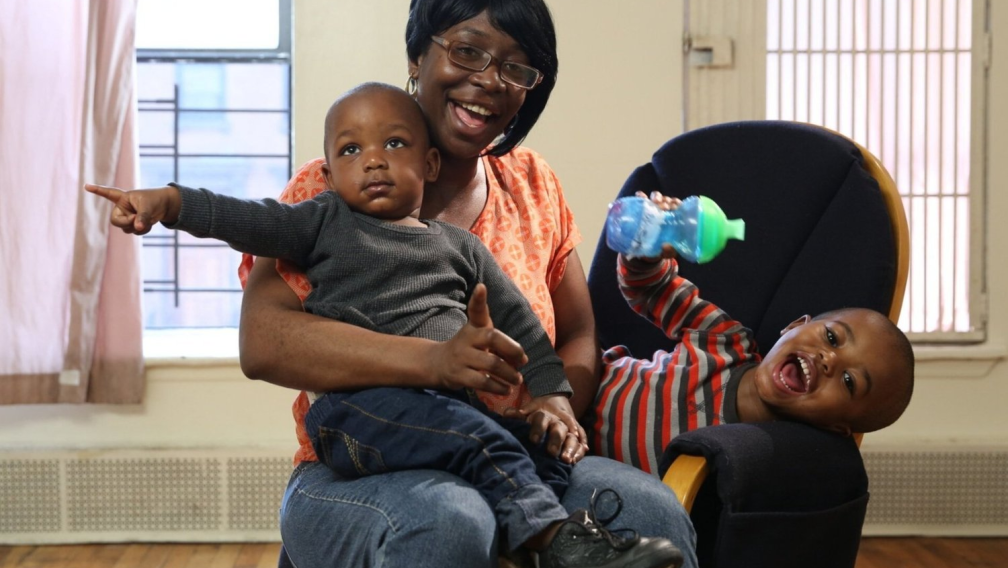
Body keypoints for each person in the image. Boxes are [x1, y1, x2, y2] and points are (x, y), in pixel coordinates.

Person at [86, 82, 684, 568]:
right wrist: (168, 203)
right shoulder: (322, 220)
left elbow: (526, 325)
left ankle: (560, 531)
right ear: (329, 169)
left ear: (425, 164)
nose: (371, 160)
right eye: (349, 151)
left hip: (451, 417)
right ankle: (553, 540)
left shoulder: (460, 249)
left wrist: (551, 396)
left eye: (393, 145)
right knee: (476, 447)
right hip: (359, 414)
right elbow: (244, 219)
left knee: (531, 454)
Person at [236, 1, 701, 567]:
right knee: (455, 519)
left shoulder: (533, 184)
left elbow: (577, 333)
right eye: (467, 50)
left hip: (515, 457)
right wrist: (434, 362)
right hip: (362, 467)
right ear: (417, 55)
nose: (489, 81)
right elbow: (263, 344)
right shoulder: (332, 186)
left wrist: (553, 408)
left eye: (516, 67)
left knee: (652, 513)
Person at [589, 192, 916, 475]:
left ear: (835, 428)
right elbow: (650, 290)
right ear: (794, 326)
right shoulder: (721, 339)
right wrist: (647, 255)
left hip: (584, 475)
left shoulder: (756, 462)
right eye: (831, 338)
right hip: (580, 387)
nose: (828, 359)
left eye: (849, 382)